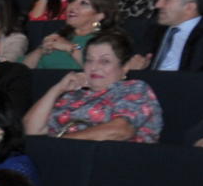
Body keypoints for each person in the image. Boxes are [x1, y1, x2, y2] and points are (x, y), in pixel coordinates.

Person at [25, 28, 160, 143]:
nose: (94, 67)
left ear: (124, 67)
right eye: (89, 60)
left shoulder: (134, 89)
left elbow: (120, 131)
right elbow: (30, 130)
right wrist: (57, 89)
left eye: (105, 61)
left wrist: (60, 143)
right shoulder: (73, 94)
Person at [22, 0, 116, 71]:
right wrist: (41, 49)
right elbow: (21, 70)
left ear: (100, 15)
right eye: (72, 0)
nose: (72, 6)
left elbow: (102, 70)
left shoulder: (107, 40)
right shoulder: (58, 36)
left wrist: (71, 47)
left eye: (84, 3)